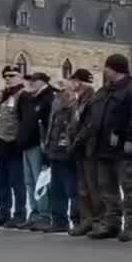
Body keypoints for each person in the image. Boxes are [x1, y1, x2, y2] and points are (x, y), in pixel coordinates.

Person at [83, 54, 132, 241]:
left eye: (107, 67)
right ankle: (112, 224)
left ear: (115, 68)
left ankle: (131, 226)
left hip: (124, 148)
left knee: (129, 189)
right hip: (103, 147)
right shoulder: (105, 90)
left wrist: (130, 140)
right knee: (107, 189)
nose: (104, 71)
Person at [18, 73, 56, 230]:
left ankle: (44, 215)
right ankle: (34, 213)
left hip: (38, 145)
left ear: (43, 82)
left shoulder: (48, 98)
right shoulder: (30, 98)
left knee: (40, 182)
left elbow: (49, 124)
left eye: (35, 81)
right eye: (30, 80)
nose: (31, 83)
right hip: (27, 144)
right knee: (30, 182)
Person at [43, 79, 80, 234]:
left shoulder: (74, 106)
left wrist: (70, 150)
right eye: (57, 91)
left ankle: (77, 220)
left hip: (68, 154)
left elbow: (74, 130)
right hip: (54, 151)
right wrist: (47, 146)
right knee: (55, 189)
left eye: (61, 91)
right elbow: (51, 128)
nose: (58, 94)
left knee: (72, 189)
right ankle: (58, 220)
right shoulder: (56, 105)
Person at [0, 66, 26, 228]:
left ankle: (20, 214)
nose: (8, 78)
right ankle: (3, 212)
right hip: (1, 144)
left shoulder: (22, 95)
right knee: (1, 181)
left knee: (17, 181)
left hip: (14, 144)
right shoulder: (4, 96)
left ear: (20, 77)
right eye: (5, 76)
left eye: (12, 75)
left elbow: (23, 121)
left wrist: (18, 141)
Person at [66, 70, 98, 237]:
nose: (72, 85)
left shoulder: (92, 100)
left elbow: (90, 125)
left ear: (81, 82)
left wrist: (78, 140)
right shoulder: (78, 101)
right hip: (79, 148)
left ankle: (96, 220)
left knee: (92, 187)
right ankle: (87, 220)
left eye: (74, 81)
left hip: (88, 148)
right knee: (83, 188)